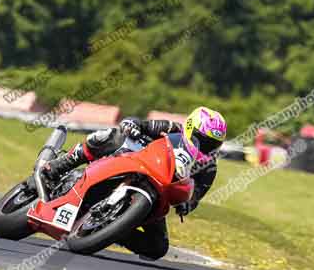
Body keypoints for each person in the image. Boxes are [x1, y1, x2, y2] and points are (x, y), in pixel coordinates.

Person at [37, 106, 227, 260]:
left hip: (158, 191)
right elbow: (140, 124)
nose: (206, 146)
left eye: (212, 143)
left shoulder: (208, 167)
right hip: (132, 161)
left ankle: (113, 229)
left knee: (158, 247)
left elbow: (197, 195)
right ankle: (60, 165)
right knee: (112, 136)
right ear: (190, 128)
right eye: (202, 140)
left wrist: (187, 204)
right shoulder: (172, 128)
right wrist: (133, 125)